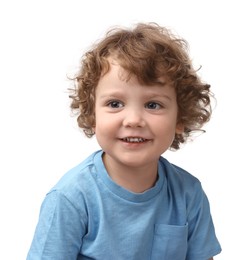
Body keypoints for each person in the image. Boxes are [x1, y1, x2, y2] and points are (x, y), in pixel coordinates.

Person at [27, 22, 222, 259]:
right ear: (92, 115)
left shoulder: (188, 194)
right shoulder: (70, 199)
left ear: (180, 118)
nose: (133, 120)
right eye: (115, 104)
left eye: (153, 105)